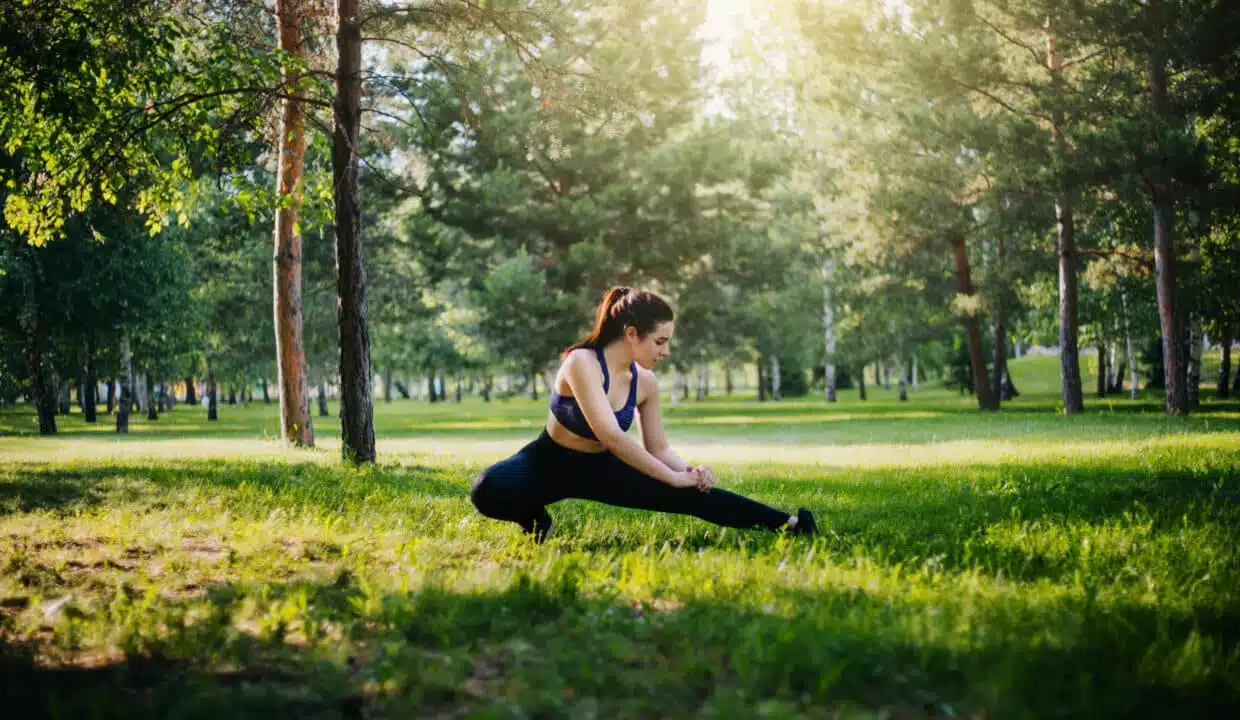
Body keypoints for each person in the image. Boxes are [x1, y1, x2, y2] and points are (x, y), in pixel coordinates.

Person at [469, 286, 818, 542]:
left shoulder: (646, 383)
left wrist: (688, 472)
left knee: (693, 496)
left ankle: (789, 525)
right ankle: (536, 523)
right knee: (488, 489)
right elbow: (612, 436)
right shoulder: (582, 363)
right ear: (632, 334)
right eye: (660, 342)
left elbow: (659, 449)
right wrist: (670, 477)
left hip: (602, 469)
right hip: (548, 463)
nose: (666, 351)